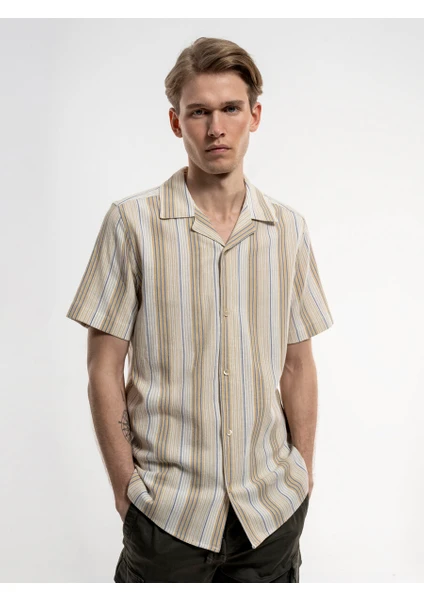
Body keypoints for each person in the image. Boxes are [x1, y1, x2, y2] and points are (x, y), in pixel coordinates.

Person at [66, 36, 334, 583]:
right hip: (167, 516)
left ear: (255, 115)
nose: (216, 128)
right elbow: (103, 369)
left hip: (269, 515)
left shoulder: (288, 229)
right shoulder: (131, 224)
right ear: (176, 122)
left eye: (231, 108)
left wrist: (302, 475)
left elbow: (297, 365)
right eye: (199, 112)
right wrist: (126, 491)